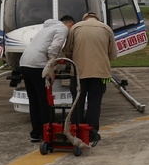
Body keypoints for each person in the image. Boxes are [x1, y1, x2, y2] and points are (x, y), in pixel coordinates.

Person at [63, 10, 118, 146]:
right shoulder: (106, 28)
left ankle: (76, 130)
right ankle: (92, 132)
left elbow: (67, 51)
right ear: (97, 18)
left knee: (77, 102)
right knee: (95, 102)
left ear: (84, 18)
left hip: (78, 73)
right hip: (101, 73)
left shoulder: (75, 28)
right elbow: (113, 55)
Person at [21, 15, 76, 143]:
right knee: (45, 100)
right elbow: (54, 48)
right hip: (38, 65)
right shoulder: (63, 29)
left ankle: (36, 133)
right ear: (70, 24)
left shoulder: (47, 29)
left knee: (34, 100)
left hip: (25, 63)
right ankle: (47, 132)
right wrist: (51, 68)